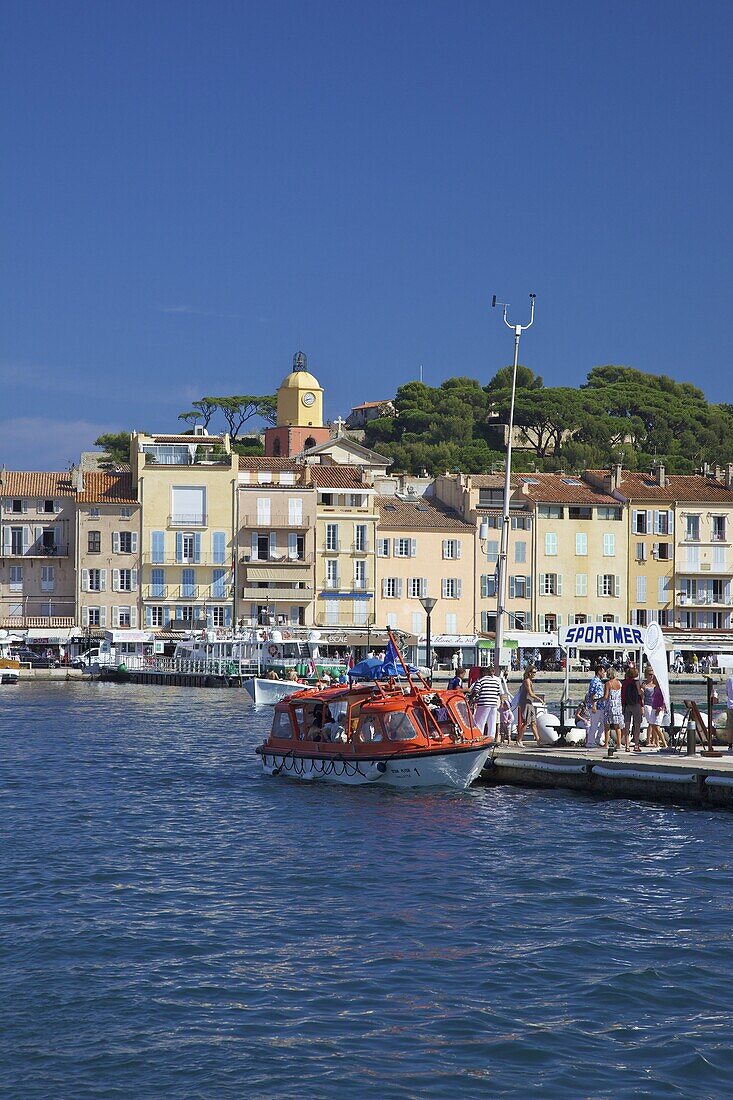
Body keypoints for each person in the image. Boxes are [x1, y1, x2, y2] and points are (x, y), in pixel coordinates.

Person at [468, 666, 506, 742]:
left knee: (479, 722)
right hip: (494, 704)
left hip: (484, 703)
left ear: (482, 673)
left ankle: (478, 738)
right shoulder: (495, 681)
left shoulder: (480, 681)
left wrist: (470, 701)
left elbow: (475, 691)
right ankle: (491, 739)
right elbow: (498, 693)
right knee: (492, 722)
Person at [604, 667, 629, 751]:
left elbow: (606, 696)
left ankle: (606, 744)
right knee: (617, 726)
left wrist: (597, 699)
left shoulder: (608, 683)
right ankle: (619, 744)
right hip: (618, 706)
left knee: (607, 725)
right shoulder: (619, 683)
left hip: (610, 705)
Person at [517, 665, 541, 746]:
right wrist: (539, 699)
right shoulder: (526, 680)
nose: (534, 674)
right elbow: (530, 693)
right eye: (533, 672)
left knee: (533, 722)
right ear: (529, 673)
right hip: (526, 703)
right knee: (526, 722)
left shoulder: (530, 681)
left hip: (529, 702)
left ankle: (538, 741)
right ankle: (519, 740)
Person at [621, 664, 643, 752]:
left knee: (627, 725)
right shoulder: (636, 682)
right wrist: (642, 690)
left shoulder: (624, 682)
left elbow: (622, 695)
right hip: (636, 704)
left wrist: (623, 705)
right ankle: (636, 745)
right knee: (637, 725)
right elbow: (639, 693)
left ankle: (627, 745)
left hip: (627, 705)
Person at [585, 665, 606, 748]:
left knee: (604, 723)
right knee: (594, 724)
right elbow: (592, 694)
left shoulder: (599, 681)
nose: (604, 674)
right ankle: (590, 742)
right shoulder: (595, 681)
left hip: (600, 706)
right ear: (599, 672)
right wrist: (593, 705)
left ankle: (598, 738)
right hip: (596, 706)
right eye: (603, 672)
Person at [726, 673, 733, 753]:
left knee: (730, 727)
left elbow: (727, 693)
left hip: (730, 705)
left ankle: (730, 746)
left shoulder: (729, 679)